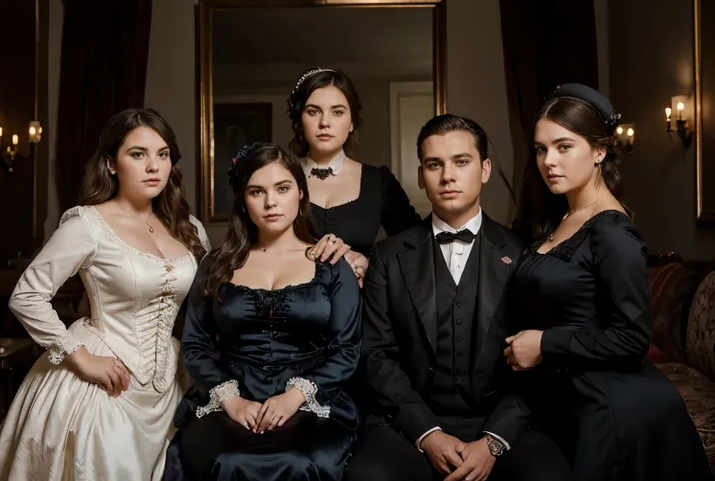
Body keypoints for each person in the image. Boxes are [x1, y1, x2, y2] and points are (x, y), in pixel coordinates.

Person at [0, 108, 210, 481]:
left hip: (171, 379)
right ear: (111, 164)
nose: (153, 165)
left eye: (163, 154)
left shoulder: (189, 229)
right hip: (102, 376)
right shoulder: (88, 224)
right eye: (138, 154)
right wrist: (80, 357)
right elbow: (26, 295)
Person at [347, 115, 571, 481]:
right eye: (434, 165)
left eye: (461, 162)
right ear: (421, 175)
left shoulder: (524, 254)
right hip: (410, 425)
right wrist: (428, 434)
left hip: (499, 421)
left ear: (484, 170)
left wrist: (494, 441)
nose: (447, 176)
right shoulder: (387, 257)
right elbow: (376, 355)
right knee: (367, 476)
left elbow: (539, 360)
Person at [507, 83, 710, 481]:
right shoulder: (562, 217)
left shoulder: (613, 230)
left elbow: (632, 338)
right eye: (540, 148)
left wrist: (545, 343)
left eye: (564, 147)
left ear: (599, 151)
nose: (549, 160)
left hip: (614, 407)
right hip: (570, 399)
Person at [167, 143, 362, 481]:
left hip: (311, 401)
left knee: (299, 461)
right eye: (257, 191)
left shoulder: (331, 264)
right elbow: (195, 345)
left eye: (282, 188)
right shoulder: (216, 265)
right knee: (228, 460)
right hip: (230, 398)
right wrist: (230, 400)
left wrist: (294, 397)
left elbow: (346, 349)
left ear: (301, 193)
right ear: (243, 198)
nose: (271, 202)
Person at [287, 67, 421, 286]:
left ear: (351, 123)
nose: (325, 122)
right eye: (313, 111)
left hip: (360, 311)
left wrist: (371, 265)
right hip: (291, 311)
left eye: (337, 112)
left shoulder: (378, 182)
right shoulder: (278, 178)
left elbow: (416, 246)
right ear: (300, 120)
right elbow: (256, 249)